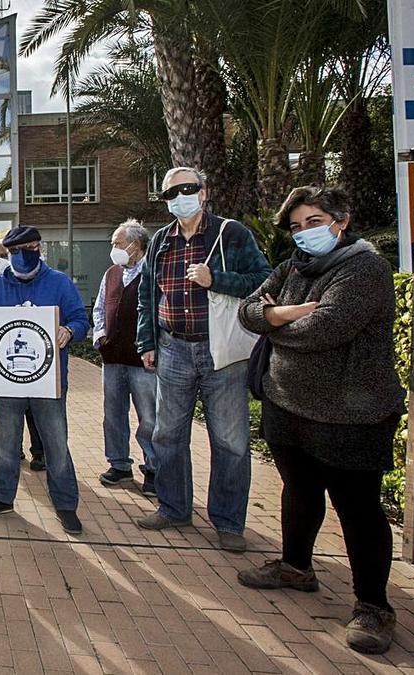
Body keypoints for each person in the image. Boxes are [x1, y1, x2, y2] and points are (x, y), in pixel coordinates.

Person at [236, 186, 403, 654]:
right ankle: (296, 567)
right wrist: (281, 313)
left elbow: (324, 329)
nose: (304, 233)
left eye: (313, 222)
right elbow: (250, 312)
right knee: (299, 491)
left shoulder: (365, 267)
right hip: (288, 404)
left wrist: (274, 320)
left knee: (358, 509)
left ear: (341, 220)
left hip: (351, 413)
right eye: (296, 226)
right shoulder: (293, 268)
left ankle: (373, 606)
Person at [135, 167, 272, 552]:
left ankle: (228, 522)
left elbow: (264, 279)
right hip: (173, 348)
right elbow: (148, 297)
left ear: (204, 192)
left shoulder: (231, 234)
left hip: (221, 351)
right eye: (170, 194)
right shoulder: (161, 241)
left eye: (187, 189)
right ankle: (174, 507)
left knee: (230, 440)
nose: (179, 197)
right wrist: (147, 342)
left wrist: (218, 280)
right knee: (167, 434)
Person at [0, 226, 89, 534]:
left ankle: (65, 505)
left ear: (39, 248)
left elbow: (80, 318)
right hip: (8, 380)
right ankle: (2, 496)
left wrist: (70, 331)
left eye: (29, 248)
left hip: (47, 381)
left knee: (55, 444)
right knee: (5, 443)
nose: (22, 255)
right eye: (15, 251)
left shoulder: (59, 283)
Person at [93, 219, 157, 496]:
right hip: (113, 358)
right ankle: (119, 464)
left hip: (143, 361)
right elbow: (98, 308)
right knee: (113, 415)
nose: (114, 248)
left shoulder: (154, 274)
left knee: (149, 418)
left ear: (136, 245)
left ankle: (154, 468)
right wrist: (100, 337)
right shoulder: (111, 274)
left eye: (118, 243)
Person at [0, 239, 45, 471]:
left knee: (35, 411)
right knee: (8, 411)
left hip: (35, 360)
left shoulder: (40, 280)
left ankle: (39, 452)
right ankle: (11, 449)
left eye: (2, 254)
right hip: (4, 361)